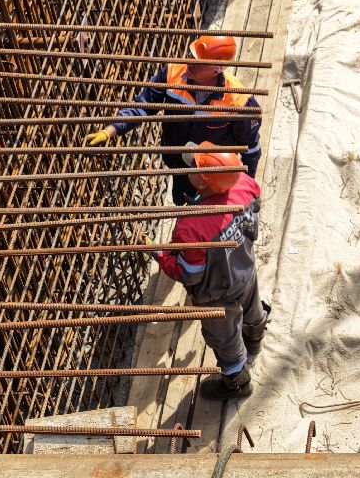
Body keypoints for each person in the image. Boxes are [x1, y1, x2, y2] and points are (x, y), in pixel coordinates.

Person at [84, 35, 261, 204]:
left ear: (217, 68)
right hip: (180, 163)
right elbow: (144, 106)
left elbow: (251, 150)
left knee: (204, 220)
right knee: (182, 203)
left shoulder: (238, 101)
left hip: (211, 177)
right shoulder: (172, 73)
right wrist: (111, 129)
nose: (190, 63)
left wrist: (245, 190)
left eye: (198, 62)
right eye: (190, 56)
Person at [156, 142, 268, 400]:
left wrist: (161, 255)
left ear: (203, 184)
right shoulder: (244, 183)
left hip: (217, 296)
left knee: (225, 341)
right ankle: (254, 343)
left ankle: (237, 382)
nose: (192, 161)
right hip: (245, 270)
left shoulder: (191, 227)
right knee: (253, 313)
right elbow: (253, 218)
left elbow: (188, 274)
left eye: (196, 165)